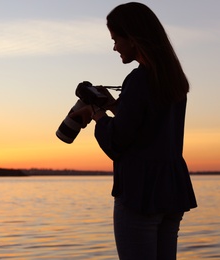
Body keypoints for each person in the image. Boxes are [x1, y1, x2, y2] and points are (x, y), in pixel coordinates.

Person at [71, 2, 197, 260]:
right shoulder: (172, 79)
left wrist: (97, 114)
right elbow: (148, 125)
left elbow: (116, 141)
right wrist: (116, 105)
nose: (115, 46)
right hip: (171, 192)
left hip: (140, 194)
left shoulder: (139, 79)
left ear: (133, 38)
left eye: (116, 39)